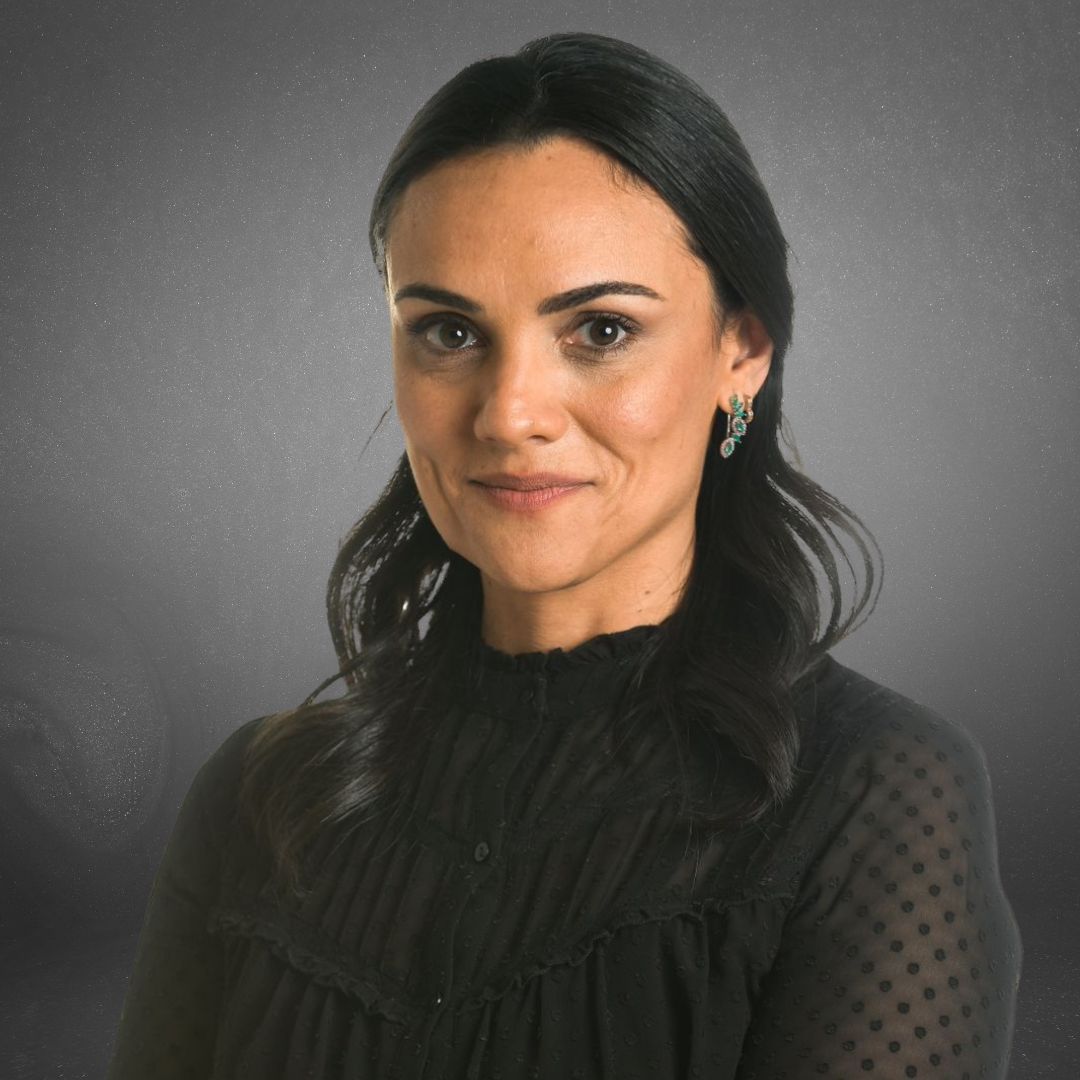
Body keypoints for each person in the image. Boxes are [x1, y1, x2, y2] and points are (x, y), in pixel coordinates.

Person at [105, 30, 1022, 1079]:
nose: (509, 414)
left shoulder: (873, 793)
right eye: (449, 333)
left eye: (601, 331)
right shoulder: (260, 797)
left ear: (743, 352)